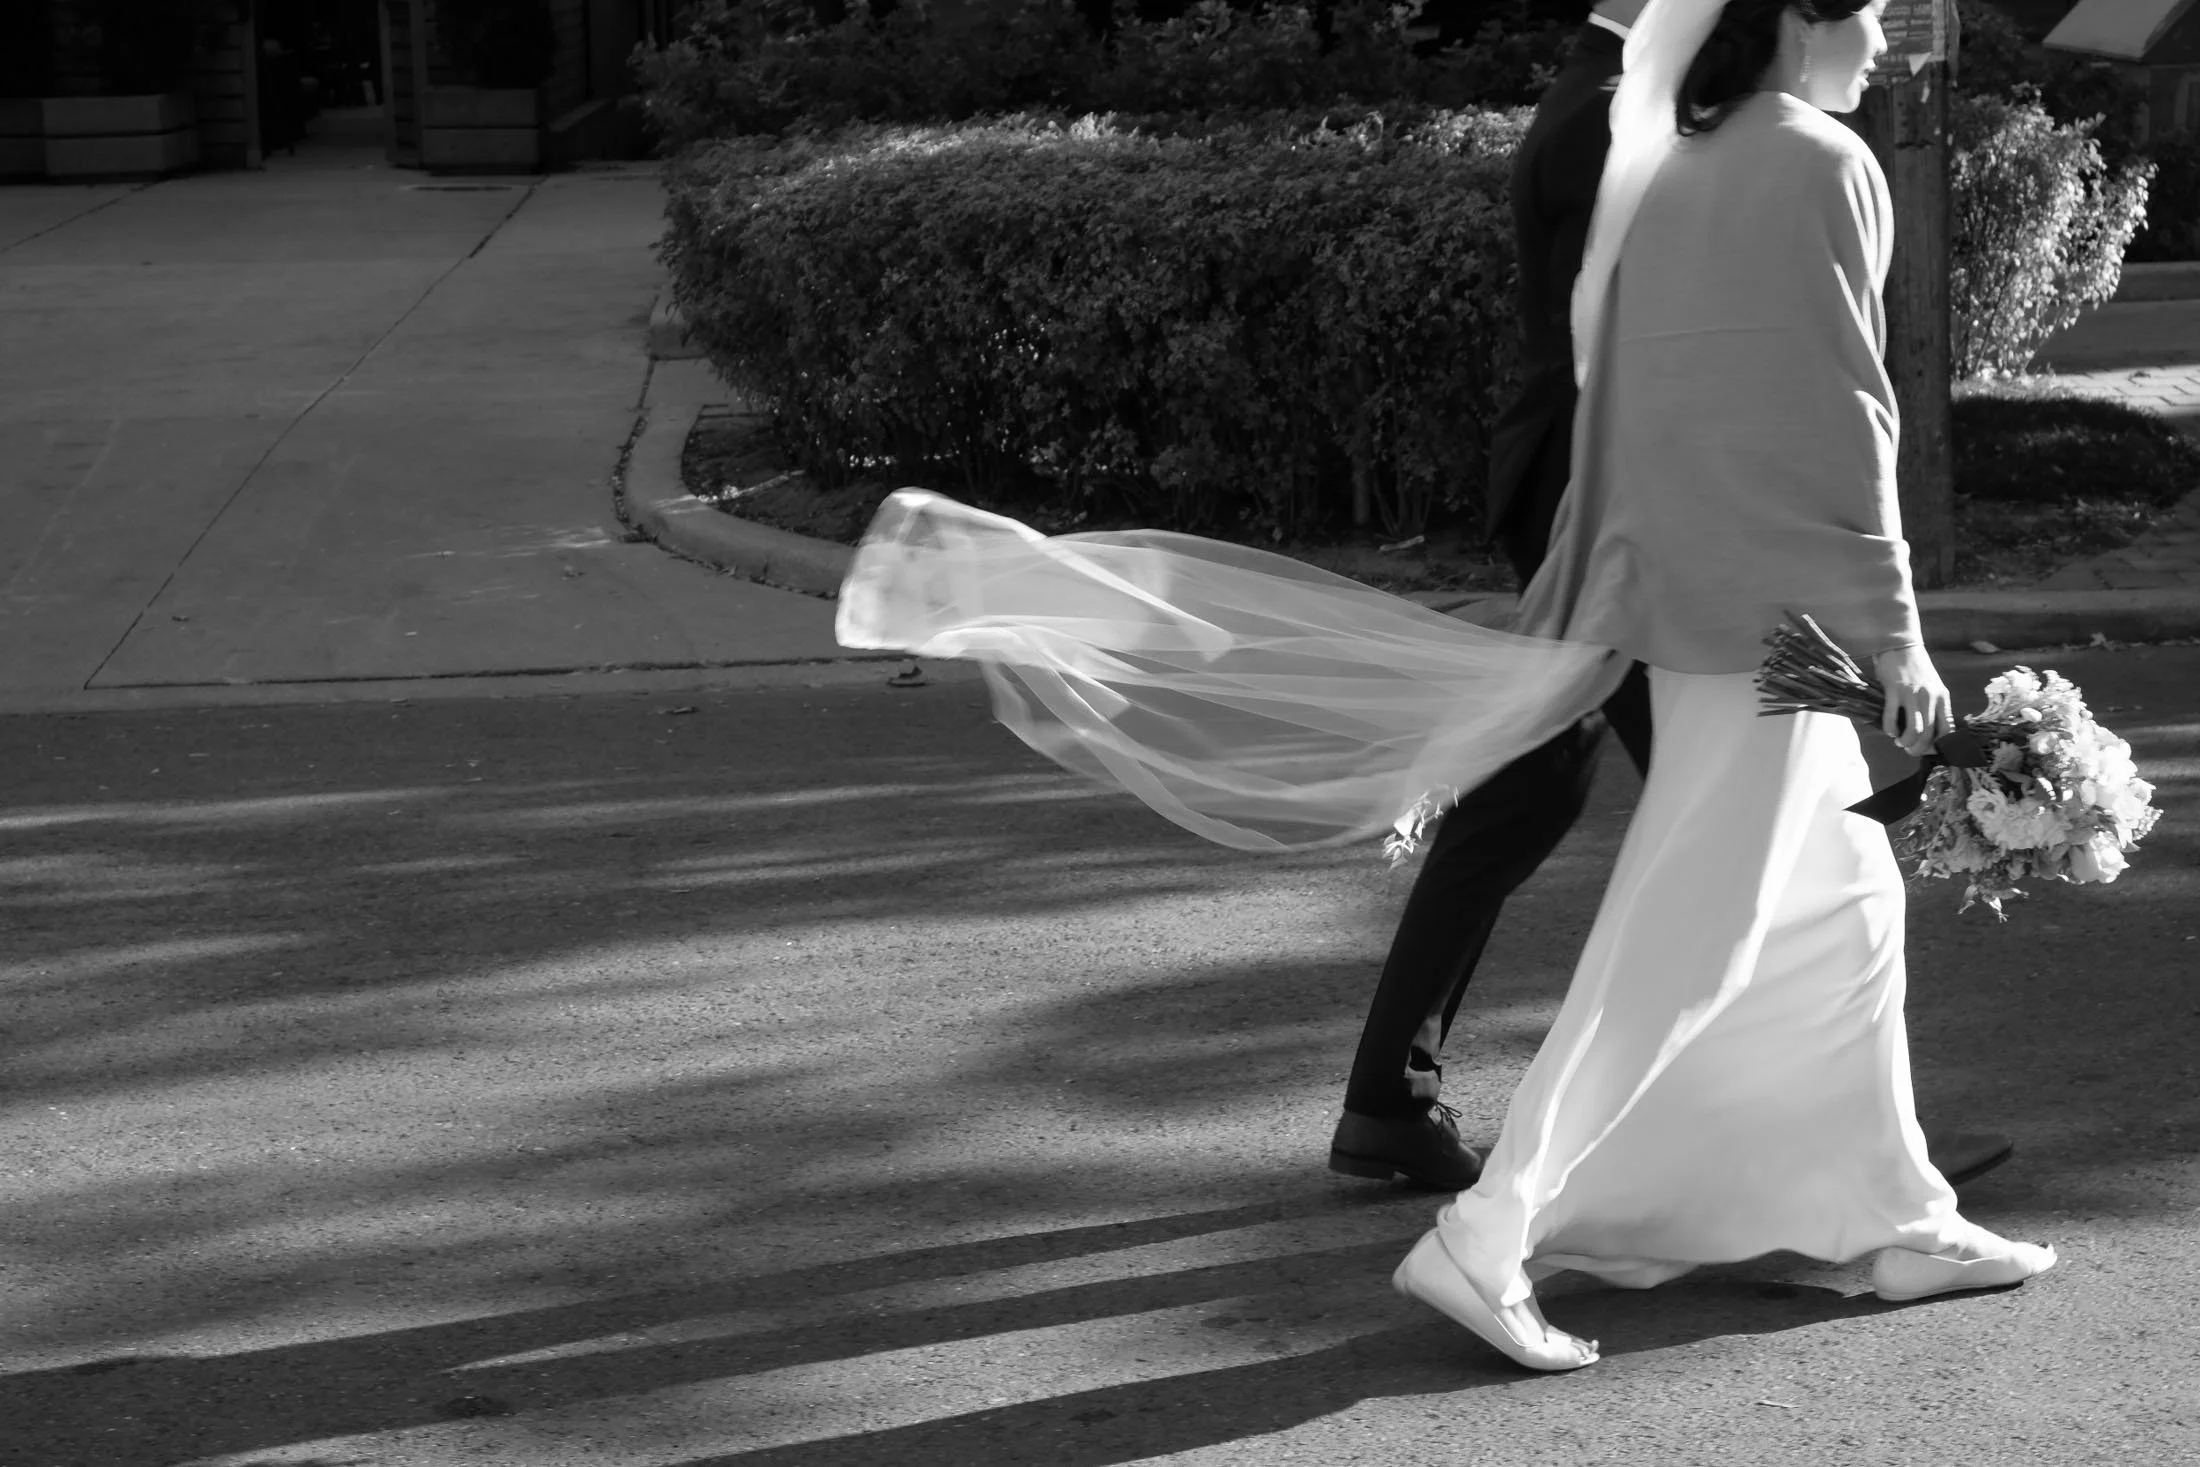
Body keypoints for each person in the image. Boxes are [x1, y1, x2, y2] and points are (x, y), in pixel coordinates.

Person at [1386, 0, 2056, 1370]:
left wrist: (1597, 597)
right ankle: (1491, 1225)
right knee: (1695, 930)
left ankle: (1891, 1212)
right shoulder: (1819, 160)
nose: (1885, 38)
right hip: (1773, 616)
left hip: (1693, 601)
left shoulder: (1668, 157)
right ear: (1799, 16)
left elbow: (1625, 406)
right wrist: (1899, 635)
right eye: (1867, 12)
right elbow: (1846, 414)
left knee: (1848, 899)